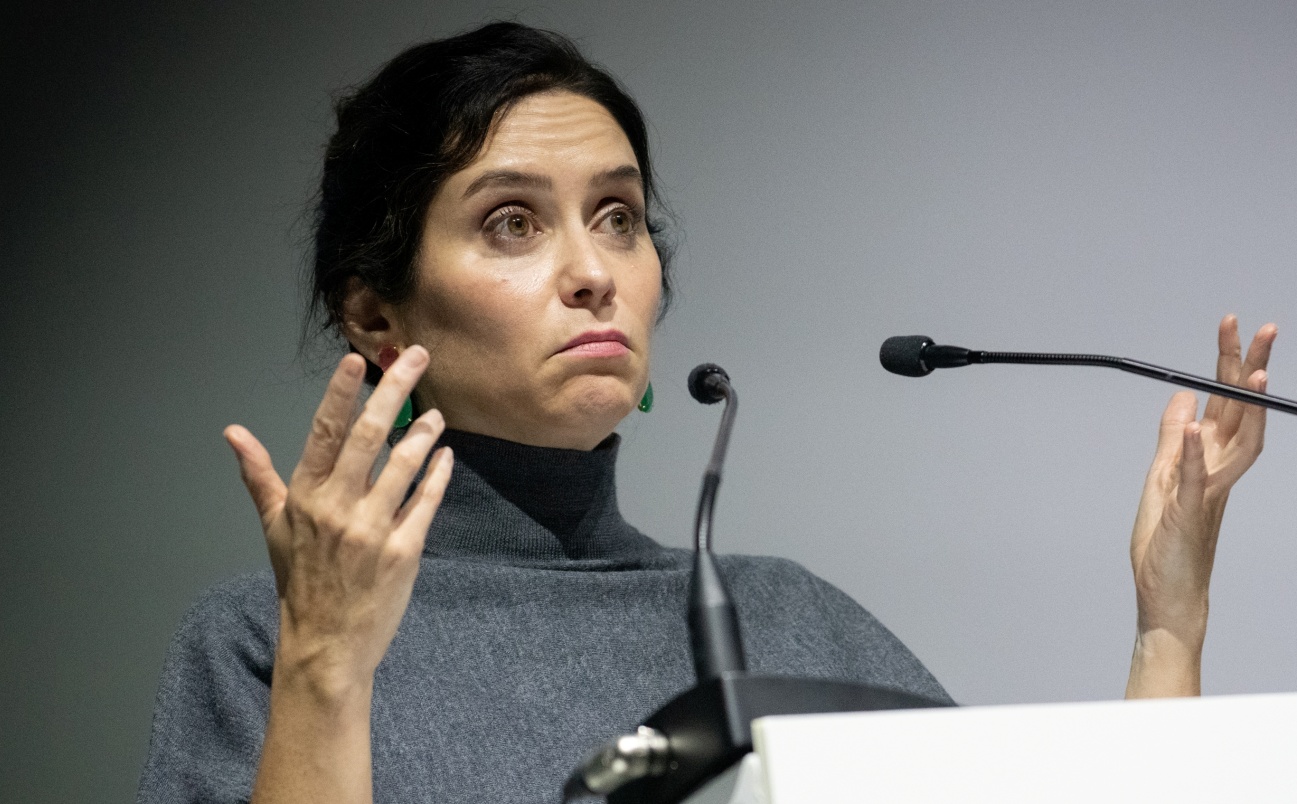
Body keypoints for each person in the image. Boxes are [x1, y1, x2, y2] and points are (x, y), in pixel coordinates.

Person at [135, 21, 1275, 804]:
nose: (593, 270)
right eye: (511, 224)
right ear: (376, 315)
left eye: (620, 216)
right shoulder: (264, 642)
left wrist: (1165, 628)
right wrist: (330, 662)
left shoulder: (787, 620)